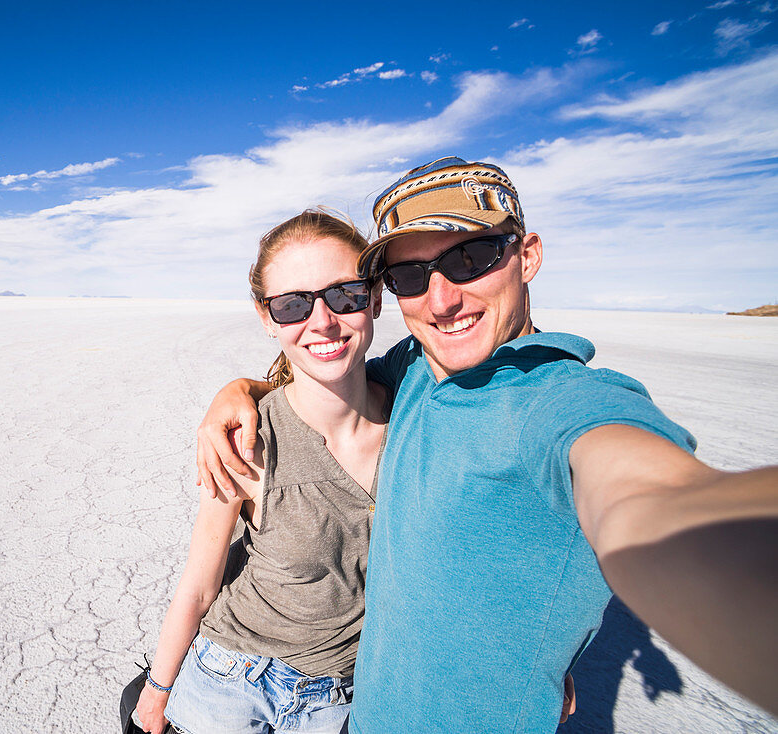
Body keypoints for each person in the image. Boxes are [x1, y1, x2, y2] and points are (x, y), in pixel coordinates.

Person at [196, 157, 778, 731]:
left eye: (470, 258)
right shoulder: (419, 368)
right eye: (409, 277)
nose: (441, 300)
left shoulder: (565, 403)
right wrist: (242, 391)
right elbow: (325, 376)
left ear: (527, 257)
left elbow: (649, 490)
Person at [134, 210, 389, 734]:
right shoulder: (246, 443)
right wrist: (156, 696)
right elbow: (199, 588)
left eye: (344, 294)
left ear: (376, 298)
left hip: (338, 698)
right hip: (228, 683)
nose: (322, 321)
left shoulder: (419, 419)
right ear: (267, 316)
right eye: (293, 305)